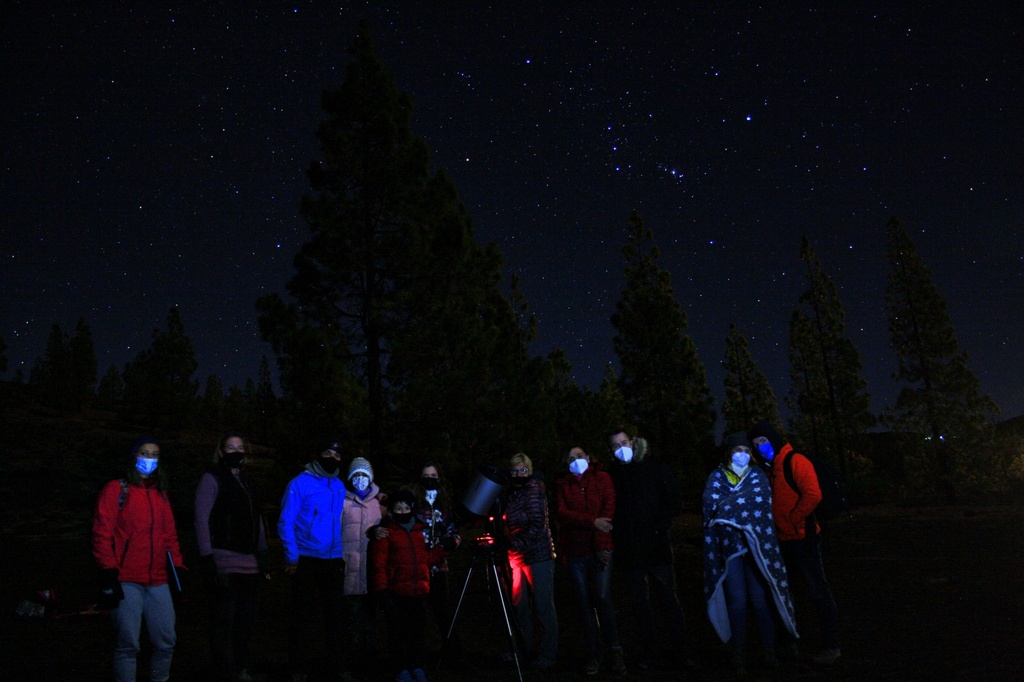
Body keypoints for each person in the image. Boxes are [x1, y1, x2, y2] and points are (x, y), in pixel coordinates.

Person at [92, 436, 186, 682]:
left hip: (158, 579)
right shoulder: (117, 489)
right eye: (145, 453)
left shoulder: (160, 494)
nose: (150, 459)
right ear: (134, 456)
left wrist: (177, 566)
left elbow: (169, 535)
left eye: (155, 454)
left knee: (166, 641)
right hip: (126, 579)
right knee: (128, 644)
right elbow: (102, 532)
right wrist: (108, 571)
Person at [748, 420, 842, 666]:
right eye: (756, 444)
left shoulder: (795, 461)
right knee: (783, 594)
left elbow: (813, 494)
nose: (761, 447)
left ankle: (831, 645)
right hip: (782, 542)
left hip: (804, 540)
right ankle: (789, 645)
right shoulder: (770, 469)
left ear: (773, 439)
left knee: (817, 592)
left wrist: (793, 518)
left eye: (764, 441)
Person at [703, 432, 797, 675]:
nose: (742, 454)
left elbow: (759, 502)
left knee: (759, 600)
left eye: (746, 450)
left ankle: (769, 653)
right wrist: (735, 507)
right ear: (729, 453)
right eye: (737, 450)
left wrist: (730, 506)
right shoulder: (717, 477)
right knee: (737, 601)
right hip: (731, 550)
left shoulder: (757, 476)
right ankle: (739, 655)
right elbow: (711, 505)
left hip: (757, 549)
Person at [606, 427, 695, 670]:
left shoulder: (655, 467)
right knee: (639, 605)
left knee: (668, 599)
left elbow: (674, 500)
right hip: (629, 550)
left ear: (632, 442)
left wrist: (659, 527)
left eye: (624, 442)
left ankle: (681, 652)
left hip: (656, 547)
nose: (621, 448)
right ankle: (650, 653)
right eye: (615, 445)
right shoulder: (612, 474)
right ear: (610, 449)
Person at [194, 432, 270, 682]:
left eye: (239, 447)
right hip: (224, 561)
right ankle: (224, 671)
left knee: (245, 623)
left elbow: (256, 518)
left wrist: (263, 552)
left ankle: (241, 668)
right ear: (221, 451)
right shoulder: (212, 478)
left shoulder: (248, 482)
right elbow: (201, 518)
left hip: (249, 564)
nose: (235, 451)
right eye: (230, 447)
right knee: (223, 623)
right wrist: (207, 557)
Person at [277, 439, 350, 682]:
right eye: (327, 453)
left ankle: (337, 666)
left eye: (337, 455)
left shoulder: (339, 485)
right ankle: (298, 667)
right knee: (301, 617)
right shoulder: (300, 483)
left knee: (335, 617)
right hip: (307, 559)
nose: (332, 458)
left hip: (333, 560)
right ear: (318, 455)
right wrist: (292, 556)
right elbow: (286, 521)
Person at [555, 446, 625, 676]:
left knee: (603, 599)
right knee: (584, 604)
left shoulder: (602, 479)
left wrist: (602, 543)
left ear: (588, 457)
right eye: (571, 458)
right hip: (575, 552)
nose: (576, 460)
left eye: (580, 456)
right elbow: (563, 514)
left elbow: (608, 509)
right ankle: (594, 654)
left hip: (599, 549)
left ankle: (615, 651)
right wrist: (591, 521)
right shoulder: (563, 484)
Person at [369, 489, 448, 682]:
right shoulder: (386, 533)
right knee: (398, 633)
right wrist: (383, 593)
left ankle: (417, 666)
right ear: (391, 511)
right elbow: (378, 565)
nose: (403, 511)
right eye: (398, 508)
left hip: (419, 591)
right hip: (397, 593)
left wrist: (442, 549)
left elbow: (425, 559)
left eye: (406, 507)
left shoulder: (417, 532)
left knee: (418, 633)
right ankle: (401, 669)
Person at [504, 452, 558, 670]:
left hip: (537, 556)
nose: (519, 474)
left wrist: (515, 543)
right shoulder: (513, 494)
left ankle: (547, 653)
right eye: (515, 470)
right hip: (517, 557)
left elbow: (537, 524)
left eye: (523, 470)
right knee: (520, 606)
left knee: (543, 606)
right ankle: (522, 649)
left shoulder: (533, 488)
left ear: (530, 470)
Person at [341, 456, 383, 674]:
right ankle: (351, 664)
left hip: (371, 573)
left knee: (371, 621)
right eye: (356, 476)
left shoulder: (378, 505)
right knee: (351, 622)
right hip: (350, 572)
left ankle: (370, 663)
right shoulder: (343, 502)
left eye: (364, 475)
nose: (360, 480)